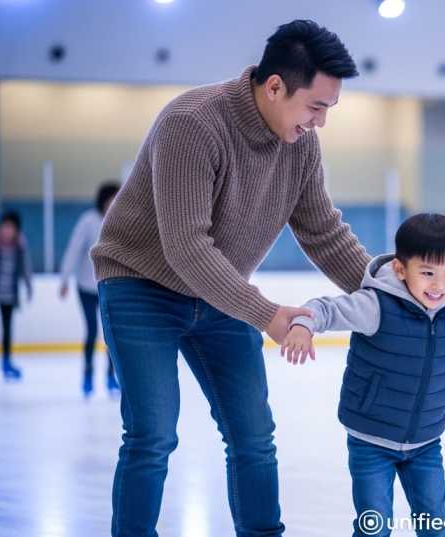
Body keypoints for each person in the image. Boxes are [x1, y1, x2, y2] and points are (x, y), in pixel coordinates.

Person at [90, 20, 371, 536]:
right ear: (274, 87)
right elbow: (186, 246)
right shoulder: (193, 124)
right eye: (317, 106)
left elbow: (323, 231)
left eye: (329, 109)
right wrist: (266, 314)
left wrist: (386, 290)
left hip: (219, 293)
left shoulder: (300, 143)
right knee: (152, 435)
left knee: (253, 434)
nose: (321, 122)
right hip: (139, 286)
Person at [282, 213, 445, 537]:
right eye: (427, 273)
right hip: (371, 439)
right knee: (374, 526)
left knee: (436, 524)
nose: (440, 285)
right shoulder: (376, 305)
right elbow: (326, 308)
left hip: (426, 441)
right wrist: (304, 325)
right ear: (401, 269)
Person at [60, 182, 121, 398]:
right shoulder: (88, 221)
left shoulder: (122, 219)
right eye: (109, 199)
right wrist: (64, 278)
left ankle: (111, 376)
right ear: (102, 201)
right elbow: (74, 248)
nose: (113, 203)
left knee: (110, 334)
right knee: (92, 330)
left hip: (111, 285)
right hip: (86, 286)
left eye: (117, 198)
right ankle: (87, 374)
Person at [0, 211, 32, 382]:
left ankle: (6, 362)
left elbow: (25, 266)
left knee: (7, 329)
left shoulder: (19, 244)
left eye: (11, 227)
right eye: (5, 226)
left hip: (9, 294)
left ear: (16, 229)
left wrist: (28, 285)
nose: (7, 231)